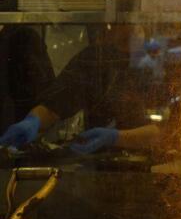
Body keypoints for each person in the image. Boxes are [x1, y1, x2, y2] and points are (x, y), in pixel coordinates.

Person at [0, 24, 160, 155]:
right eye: (115, 25)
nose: (117, 30)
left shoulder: (158, 64)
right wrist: (32, 121)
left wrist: (116, 137)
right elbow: (57, 101)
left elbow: (171, 131)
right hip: (97, 169)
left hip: (154, 171)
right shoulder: (95, 57)